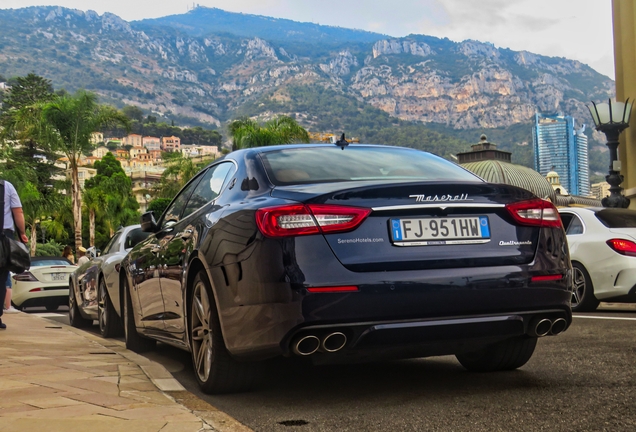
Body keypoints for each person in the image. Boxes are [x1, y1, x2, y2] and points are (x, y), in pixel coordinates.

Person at [1, 179, 29, 329]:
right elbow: (18, 211)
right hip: (4, 237)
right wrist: (22, 233)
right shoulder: (7, 186)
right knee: (2, 276)